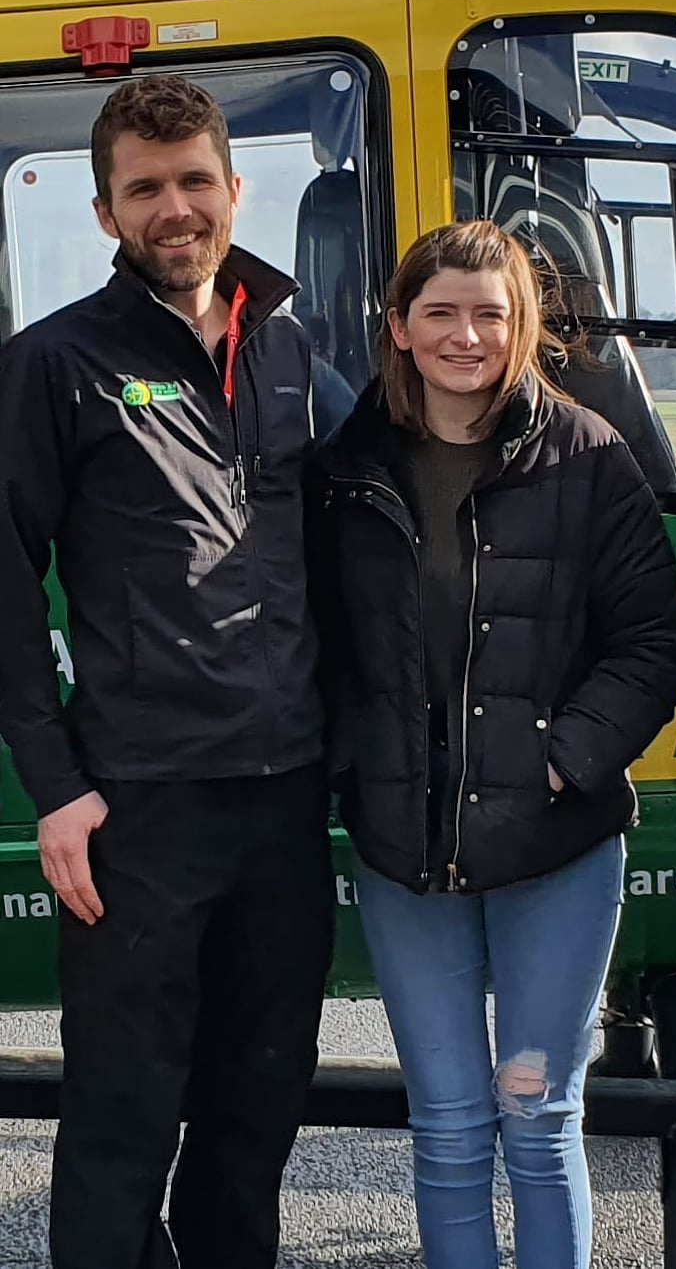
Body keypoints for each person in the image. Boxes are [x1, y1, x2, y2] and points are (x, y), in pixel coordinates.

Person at [309, 219, 676, 1269]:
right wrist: (357, 762)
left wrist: (562, 757)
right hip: (404, 846)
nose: (465, 334)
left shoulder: (589, 457)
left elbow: (654, 641)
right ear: (398, 325)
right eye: (440, 311)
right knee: (444, 1123)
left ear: (523, 323)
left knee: (535, 1110)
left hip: (553, 842)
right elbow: (320, 643)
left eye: (490, 312)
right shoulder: (346, 469)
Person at [0, 74, 335, 1269]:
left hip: (285, 796)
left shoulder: (292, 348)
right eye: (145, 189)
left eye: (195, 179)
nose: (175, 208)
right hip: (137, 806)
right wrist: (57, 785)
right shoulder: (53, 365)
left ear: (236, 190)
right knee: (123, 1115)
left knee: (256, 1111)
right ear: (103, 213)